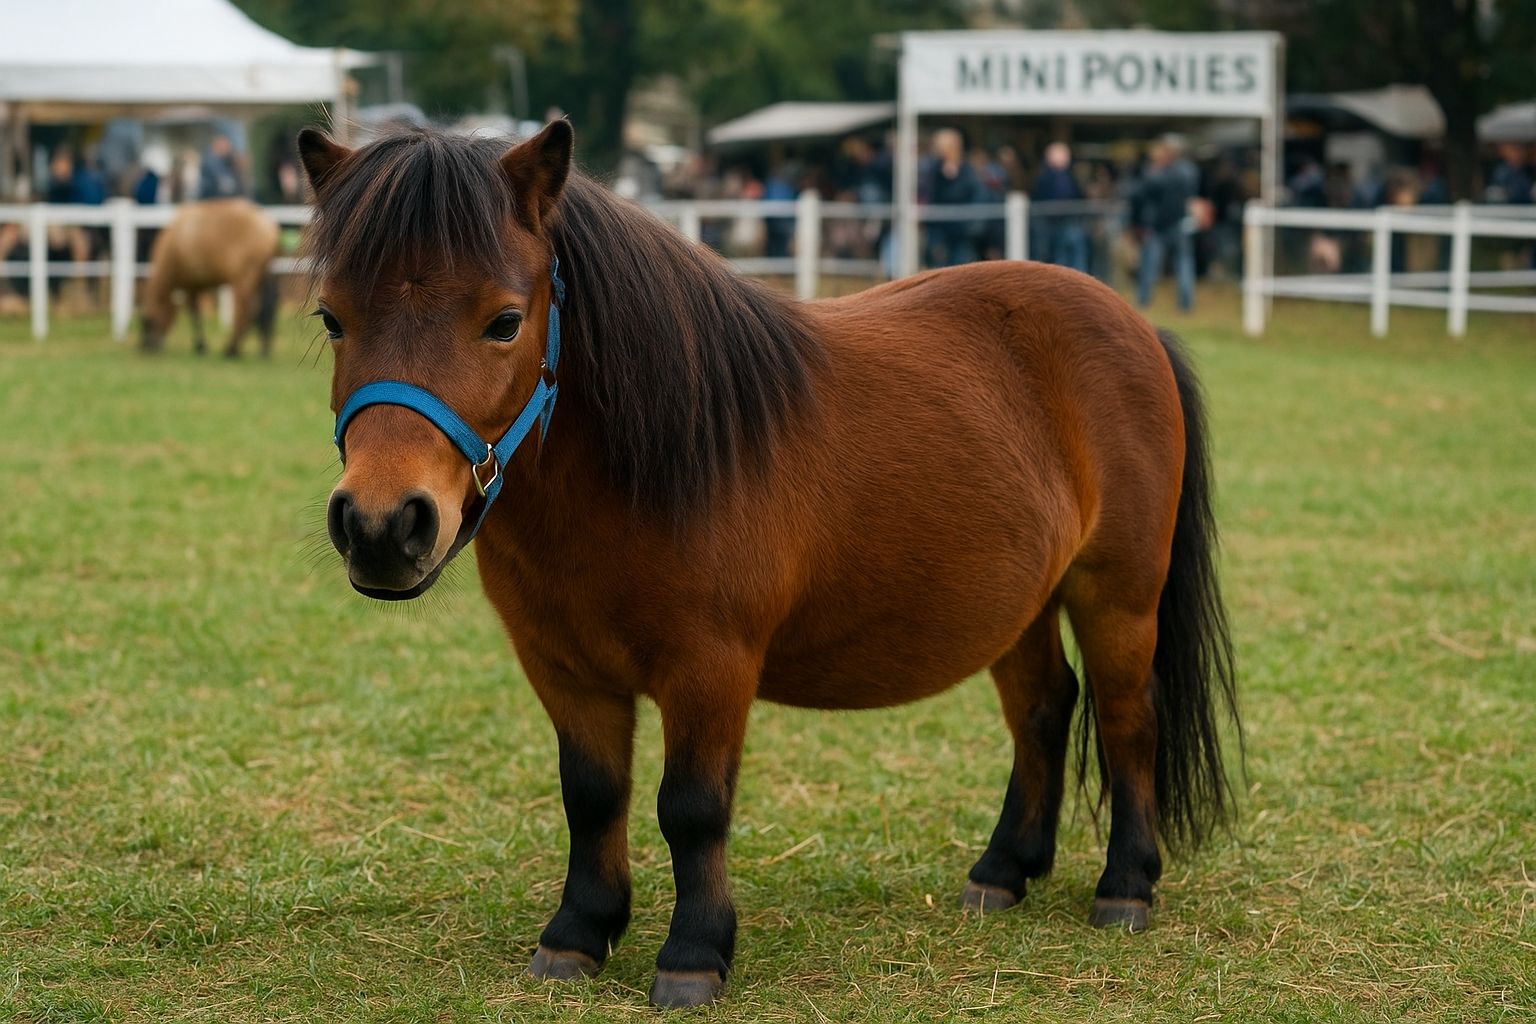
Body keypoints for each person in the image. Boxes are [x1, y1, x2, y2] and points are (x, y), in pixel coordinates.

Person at [1134, 135, 1199, 311]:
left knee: (1150, 265)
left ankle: (1143, 300)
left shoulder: (1158, 173)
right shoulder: (1189, 172)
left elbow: (1144, 192)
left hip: (1158, 226)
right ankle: (1186, 304)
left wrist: (1152, 172)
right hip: (1179, 223)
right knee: (1183, 264)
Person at [922, 128, 983, 267]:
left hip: (960, 230)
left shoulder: (968, 171)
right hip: (938, 228)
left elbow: (972, 194)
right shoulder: (931, 169)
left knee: (961, 269)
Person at [1032, 142, 1088, 273]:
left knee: (1076, 258)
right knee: (1060, 261)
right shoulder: (1047, 177)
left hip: (1071, 223)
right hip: (1055, 226)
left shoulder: (1070, 175)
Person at [199, 134, 243, 199]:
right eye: (226, 146)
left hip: (217, 200)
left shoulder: (223, 161)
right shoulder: (211, 161)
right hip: (211, 201)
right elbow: (226, 184)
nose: (229, 149)